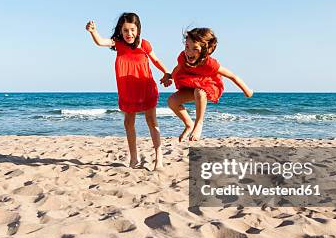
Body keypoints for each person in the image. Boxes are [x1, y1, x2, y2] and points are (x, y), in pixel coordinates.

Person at [86, 12, 171, 170]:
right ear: (121, 30)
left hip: (145, 86)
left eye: (132, 29)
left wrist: (167, 73)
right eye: (125, 30)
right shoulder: (117, 43)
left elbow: (156, 60)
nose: (129, 34)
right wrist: (93, 31)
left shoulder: (145, 44)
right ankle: (134, 159)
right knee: (128, 123)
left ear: (138, 29)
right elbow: (100, 42)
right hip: (127, 90)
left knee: (152, 122)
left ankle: (159, 160)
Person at [161, 27, 253, 141]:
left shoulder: (210, 64)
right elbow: (178, 68)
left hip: (208, 85)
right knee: (172, 101)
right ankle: (188, 124)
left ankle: (198, 124)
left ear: (205, 49)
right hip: (190, 84)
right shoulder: (183, 57)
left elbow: (231, 75)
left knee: (199, 92)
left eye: (195, 49)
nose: (189, 52)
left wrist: (247, 90)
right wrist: (170, 77)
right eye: (187, 47)